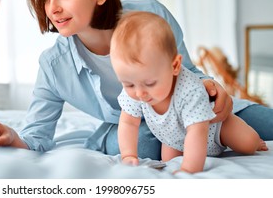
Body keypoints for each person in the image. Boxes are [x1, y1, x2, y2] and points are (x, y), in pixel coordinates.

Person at [0, 0, 273, 160]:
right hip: (136, 128)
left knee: (265, 124)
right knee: (145, 142)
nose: (53, 8)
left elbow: (190, 73)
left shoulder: (151, 14)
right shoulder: (53, 65)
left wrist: (211, 87)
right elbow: (38, 137)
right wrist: (13, 137)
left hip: (188, 111)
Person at [110, 11, 268, 173]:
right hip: (173, 139)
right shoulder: (138, 84)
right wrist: (128, 155)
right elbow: (128, 122)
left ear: (175, 66)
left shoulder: (189, 90)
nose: (140, 93)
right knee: (170, 163)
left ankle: (255, 140)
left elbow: (197, 132)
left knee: (247, 144)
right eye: (128, 84)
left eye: (150, 83)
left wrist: (189, 169)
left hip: (215, 128)